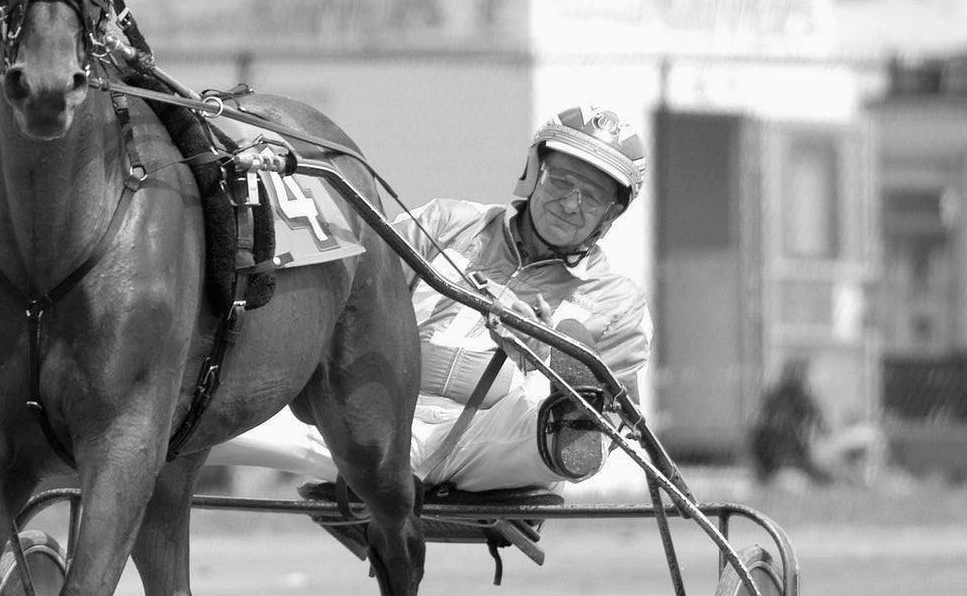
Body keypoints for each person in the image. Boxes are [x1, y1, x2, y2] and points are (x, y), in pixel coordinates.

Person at [209, 104, 653, 493]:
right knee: (200, 418)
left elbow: (624, 421)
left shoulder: (618, 302)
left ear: (611, 215)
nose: (571, 204)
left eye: (591, 197)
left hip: (491, 438)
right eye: (560, 182)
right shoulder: (443, 223)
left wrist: (540, 349)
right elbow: (356, 284)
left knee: (543, 414)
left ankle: (566, 394)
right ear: (536, 174)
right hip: (376, 418)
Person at [748, 358, 833, 485]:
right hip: (785, 469)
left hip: (774, 469)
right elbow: (824, 430)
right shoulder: (795, 400)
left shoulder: (774, 400)